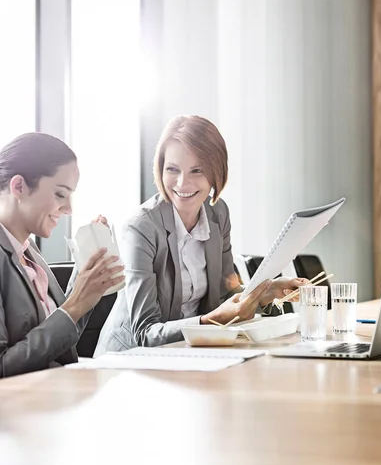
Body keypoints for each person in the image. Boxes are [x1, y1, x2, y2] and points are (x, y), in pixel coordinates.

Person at [95, 115, 306, 354]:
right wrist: (209, 322)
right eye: (172, 169)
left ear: (216, 172)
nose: (183, 183)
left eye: (197, 171)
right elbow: (145, 332)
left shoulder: (218, 213)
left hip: (189, 354)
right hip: (128, 362)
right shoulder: (141, 227)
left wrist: (264, 293)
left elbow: (226, 292)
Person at [0, 132, 124, 378]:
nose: (68, 209)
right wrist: (74, 305)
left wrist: (87, 281)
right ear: (19, 186)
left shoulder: (29, 249)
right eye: (60, 194)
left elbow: (59, 338)